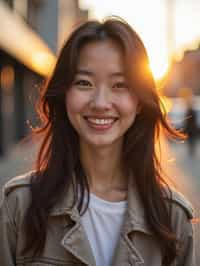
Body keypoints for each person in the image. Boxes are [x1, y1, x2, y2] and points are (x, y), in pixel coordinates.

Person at [0, 17, 196, 266]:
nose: (101, 103)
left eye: (120, 85)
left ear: (139, 102)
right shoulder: (20, 206)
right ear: (64, 95)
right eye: (84, 83)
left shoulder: (172, 217)